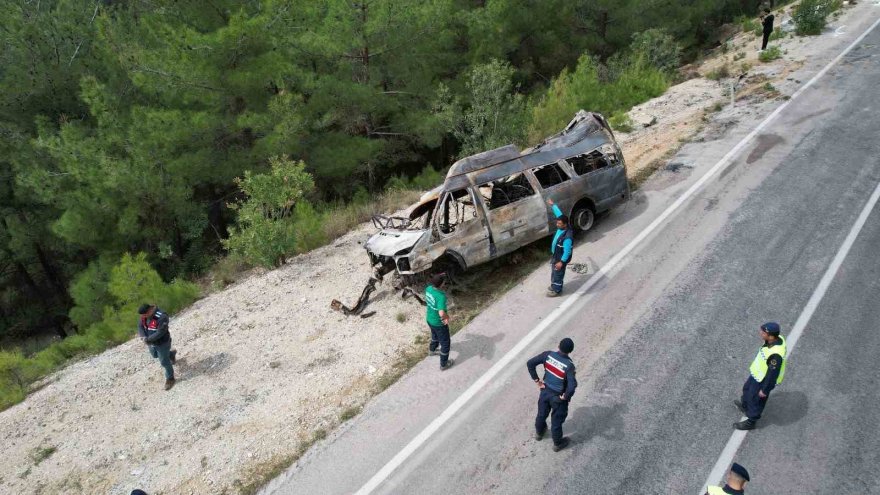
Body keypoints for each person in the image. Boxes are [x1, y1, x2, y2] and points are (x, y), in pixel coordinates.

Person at [527, 338, 578, 452]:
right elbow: (572, 385)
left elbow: (530, 363)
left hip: (545, 392)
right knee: (556, 421)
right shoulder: (569, 366)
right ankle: (557, 443)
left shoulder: (548, 355)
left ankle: (539, 433)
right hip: (558, 398)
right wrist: (565, 397)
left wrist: (537, 380)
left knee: (541, 414)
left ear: (558, 346)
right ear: (570, 351)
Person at [734, 322, 786, 430]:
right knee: (747, 389)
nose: (760, 333)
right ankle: (746, 406)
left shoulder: (775, 356)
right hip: (757, 374)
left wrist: (765, 390)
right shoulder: (776, 338)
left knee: (756, 400)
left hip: (763, 380)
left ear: (771, 336)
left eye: (763, 332)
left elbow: (772, 375)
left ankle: (751, 421)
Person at [137, 304, 178, 390]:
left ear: (150, 310)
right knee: (155, 355)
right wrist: (143, 337)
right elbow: (140, 326)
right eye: (142, 315)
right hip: (151, 343)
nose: (143, 317)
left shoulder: (162, 317)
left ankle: (170, 378)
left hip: (162, 343)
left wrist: (148, 339)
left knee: (164, 362)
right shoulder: (144, 316)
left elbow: (161, 332)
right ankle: (171, 354)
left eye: (144, 315)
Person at [546, 198, 573, 297]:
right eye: (557, 223)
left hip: (560, 258)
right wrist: (553, 205)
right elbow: (559, 214)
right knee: (554, 271)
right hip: (556, 255)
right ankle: (554, 285)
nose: (557, 225)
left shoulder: (567, 237)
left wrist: (561, 262)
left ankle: (557, 289)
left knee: (558, 273)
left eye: (559, 224)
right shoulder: (563, 225)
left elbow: (566, 252)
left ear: (565, 225)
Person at [425, 273, 453, 370]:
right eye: (443, 282)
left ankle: (432, 350)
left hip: (429, 319)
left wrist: (440, 276)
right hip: (438, 323)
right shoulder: (441, 296)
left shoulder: (428, 289)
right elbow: (441, 313)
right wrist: (446, 317)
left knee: (434, 336)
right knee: (445, 343)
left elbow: (436, 280)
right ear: (441, 284)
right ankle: (443, 364)